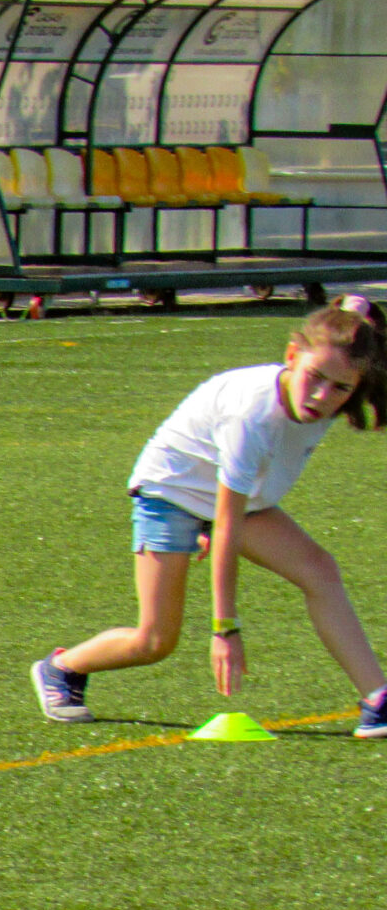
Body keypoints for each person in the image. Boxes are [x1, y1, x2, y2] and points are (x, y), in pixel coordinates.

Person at [33, 299, 387, 735]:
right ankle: (62, 668)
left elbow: (355, 329)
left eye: (339, 388)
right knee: (155, 640)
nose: (320, 396)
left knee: (320, 570)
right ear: (291, 356)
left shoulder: (341, 378)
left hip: (241, 499)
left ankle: (377, 701)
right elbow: (228, 525)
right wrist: (225, 629)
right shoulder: (251, 416)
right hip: (173, 492)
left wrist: (357, 308)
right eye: (314, 378)